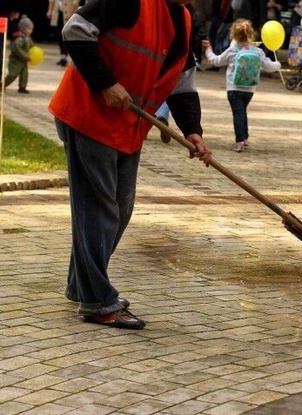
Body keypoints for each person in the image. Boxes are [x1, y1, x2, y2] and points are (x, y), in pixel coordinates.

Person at [48, 0, 213, 329]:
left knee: (120, 209)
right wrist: (105, 83)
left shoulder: (182, 18)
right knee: (99, 209)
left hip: (129, 128)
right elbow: (76, 30)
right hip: (88, 117)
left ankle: (81, 285)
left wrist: (193, 130)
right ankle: (97, 300)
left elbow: (181, 82)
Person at [203, 18, 281, 152]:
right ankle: (244, 138)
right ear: (250, 34)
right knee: (242, 111)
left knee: (238, 113)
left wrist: (208, 50)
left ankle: (239, 140)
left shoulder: (232, 50)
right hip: (250, 88)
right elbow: (268, 66)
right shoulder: (257, 51)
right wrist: (278, 64)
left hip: (234, 87)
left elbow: (216, 61)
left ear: (233, 34)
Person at [4, 15, 34, 94]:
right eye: (29, 29)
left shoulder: (28, 38)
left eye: (31, 29)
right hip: (16, 61)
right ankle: (3, 84)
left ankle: (22, 87)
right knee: (13, 74)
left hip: (23, 61)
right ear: (23, 29)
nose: (30, 31)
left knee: (24, 74)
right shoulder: (19, 38)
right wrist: (26, 56)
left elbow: (31, 47)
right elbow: (17, 49)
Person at [47, 0, 80, 66]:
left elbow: (75, 1)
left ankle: (65, 55)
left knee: (67, 34)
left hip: (69, 12)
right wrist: (50, 10)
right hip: (58, 12)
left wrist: (70, 13)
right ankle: (63, 55)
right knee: (59, 35)